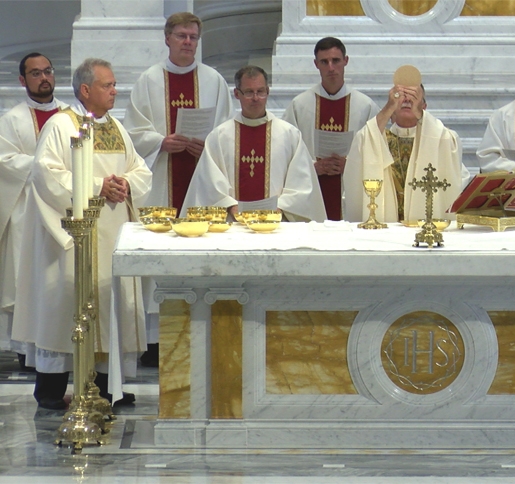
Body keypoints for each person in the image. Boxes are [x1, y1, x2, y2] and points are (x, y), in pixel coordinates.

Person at [12, 58, 152, 409]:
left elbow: (140, 170)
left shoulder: (117, 128)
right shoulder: (61, 126)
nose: (115, 91)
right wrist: (96, 186)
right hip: (73, 237)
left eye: (115, 84)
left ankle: (106, 388)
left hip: (112, 234)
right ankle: (51, 389)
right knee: (64, 309)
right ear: (86, 90)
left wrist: (125, 184)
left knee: (108, 310)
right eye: (108, 85)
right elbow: (47, 176)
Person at [123, 12, 234, 366]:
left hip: (202, 178)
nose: (188, 42)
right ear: (167, 38)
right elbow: (133, 134)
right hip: (161, 179)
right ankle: (155, 342)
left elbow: (227, 131)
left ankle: (199, 332)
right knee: (160, 259)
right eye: (182, 36)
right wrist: (161, 141)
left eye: (193, 37)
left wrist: (210, 146)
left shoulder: (214, 81)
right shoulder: (149, 81)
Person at [183, 66, 326, 222]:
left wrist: (282, 206)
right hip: (233, 224)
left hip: (277, 224)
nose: (256, 98)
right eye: (249, 92)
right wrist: (230, 206)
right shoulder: (219, 136)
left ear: (268, 92)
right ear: (237, 94)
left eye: (261, 91)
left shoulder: (289, 135)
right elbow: (208, 182)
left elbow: (302, 183)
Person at [0, 53, 67, 370]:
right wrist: (42, 167)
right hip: (27, 212)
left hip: (62, 210)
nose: (44, 78)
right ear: (22, 80)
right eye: (36, 73)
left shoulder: (70, 117)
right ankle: (28, 350)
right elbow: (4, 162)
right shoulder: (12, 119)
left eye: (48, 71)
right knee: (27, 280)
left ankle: (61, 346)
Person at [343, 80, 470, 223]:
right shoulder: (377, 141)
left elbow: (450, 143)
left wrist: (419, 114)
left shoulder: (439, 139)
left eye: (413, 96)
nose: (408, 100)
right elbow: (362, 142)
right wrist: (388, 107)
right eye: (401, 95)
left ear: (424, 107)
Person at [283, 37, 380, 220]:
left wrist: (351, 165)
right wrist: (313, 167)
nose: (330, 67)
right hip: (312, 191)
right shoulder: (300, 105)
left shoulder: (365, 106)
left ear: (346, 61)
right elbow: (286, 152)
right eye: (324, 62)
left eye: (335, 60)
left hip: (351, 193)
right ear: (316, 64)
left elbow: (378, 154)